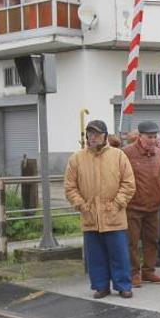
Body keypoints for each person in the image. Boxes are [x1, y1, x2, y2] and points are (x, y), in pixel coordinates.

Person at [64, 120, 136, 299]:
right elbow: (70, 187)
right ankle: (101, 286)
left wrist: (117, 204)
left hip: (114, 215)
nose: (92, 137)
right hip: (90, 215)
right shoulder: (77, 158)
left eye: (96, 134)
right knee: (95, 255)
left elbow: (128, 184)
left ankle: (123, 285)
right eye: (90, 133)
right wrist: (82, 205)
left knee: (119, 253)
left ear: (105, 136)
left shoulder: (118, 155)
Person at [122, 121, 160, 287]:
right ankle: (133, 273)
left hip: (154, 207)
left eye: (154, 136)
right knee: (131, 242)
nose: (152, 140)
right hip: (133, 208)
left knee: (152, 240)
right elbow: (119, 177)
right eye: (149, 137)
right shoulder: (126, 153)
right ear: (140, 136)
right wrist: (128, 197)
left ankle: (149, 271)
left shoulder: (159, 153)